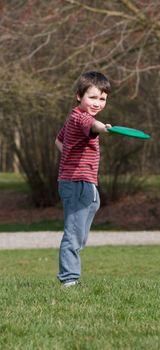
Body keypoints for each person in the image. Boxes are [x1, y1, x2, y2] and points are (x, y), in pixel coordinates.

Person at [55, 71, 111, 287]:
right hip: (76, 183)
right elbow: (93, 126)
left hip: (83, 183)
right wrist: (103, 127)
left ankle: (70, 274)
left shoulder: (72, 118)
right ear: (79, 96)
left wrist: (70, 157)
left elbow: (58, 141)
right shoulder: (82, 118)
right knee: (73, 233)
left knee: (79, 235)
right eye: (93, 97)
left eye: (102, 99)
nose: (97, 103)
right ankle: (69, 279)